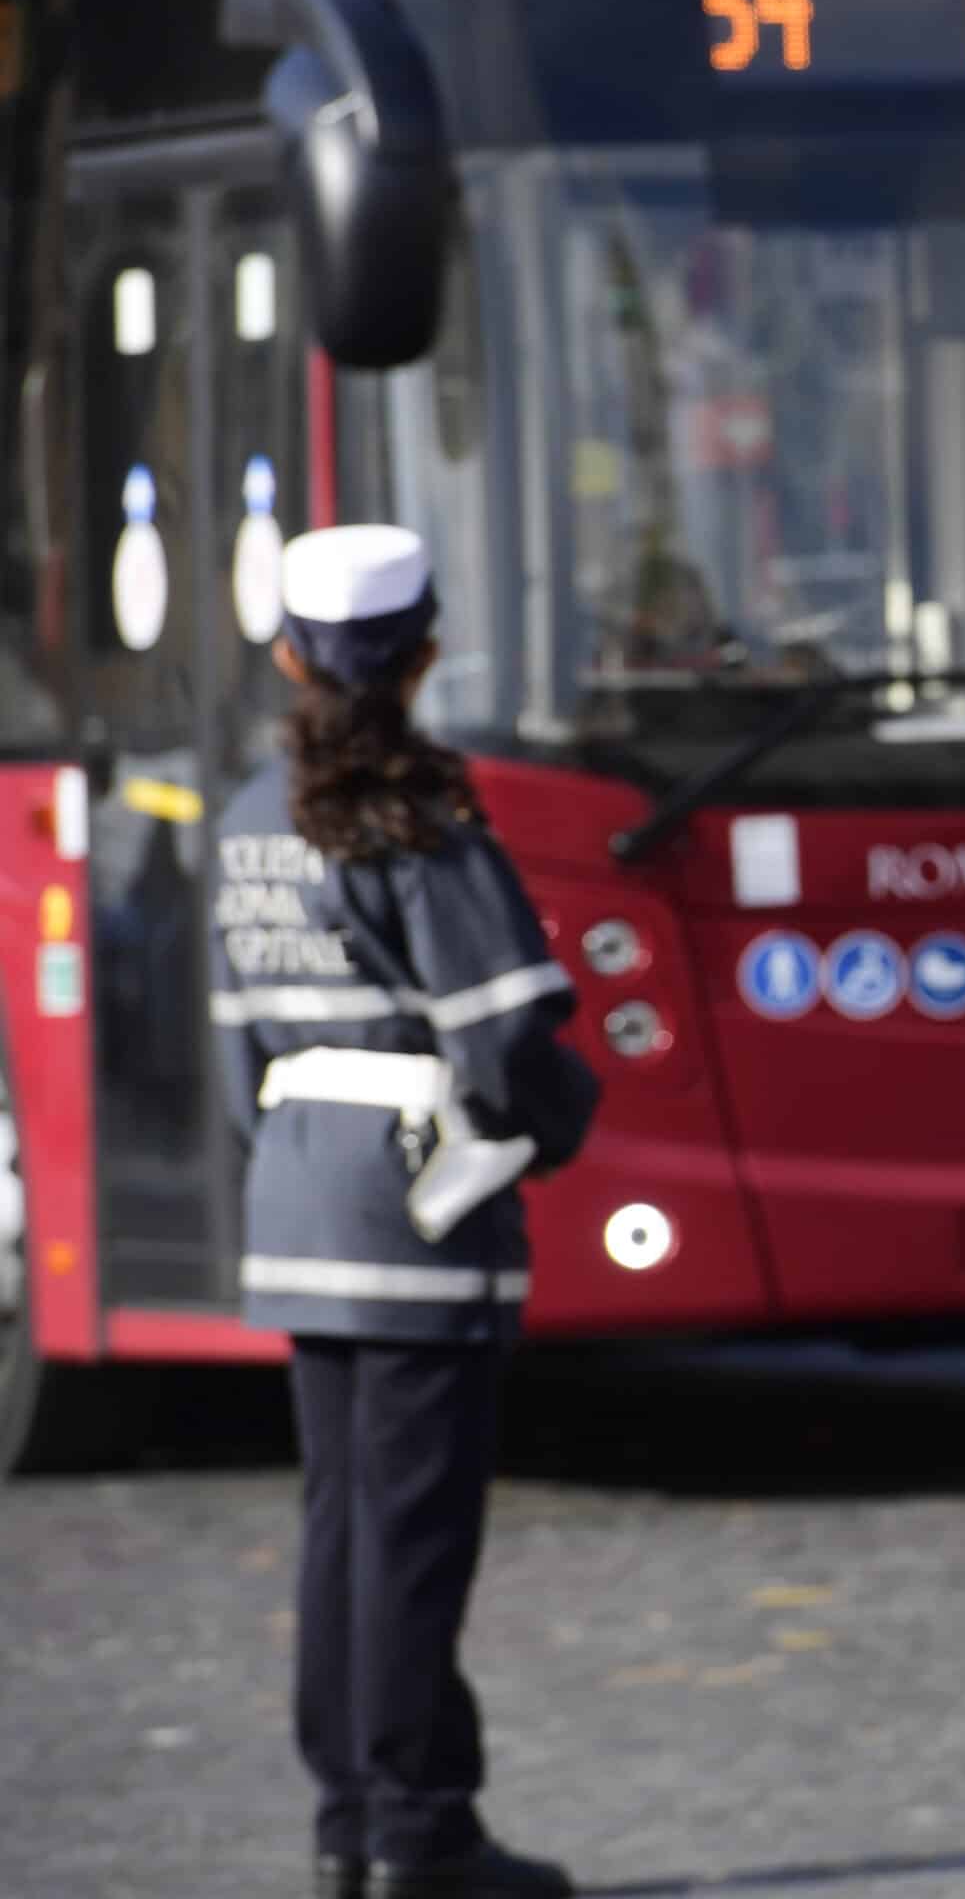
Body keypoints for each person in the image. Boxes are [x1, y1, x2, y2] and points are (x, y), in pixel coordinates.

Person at [212, 525, 602, 1899]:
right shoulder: (419, 816)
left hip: (301, 1203)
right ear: (428, 650)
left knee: (340, 1528)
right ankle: (419, 1835)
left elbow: (236, 1059)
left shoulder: (252, 812)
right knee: (415, 1542)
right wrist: (563, 1121)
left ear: (285, 651)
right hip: (420, 1213)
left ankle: (347, 1827)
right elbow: (504, 1042)